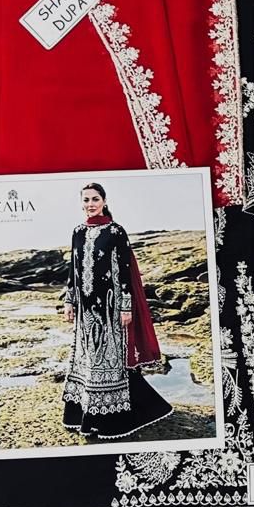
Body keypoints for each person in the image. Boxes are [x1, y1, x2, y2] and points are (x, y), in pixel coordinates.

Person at [62, 182, 173, 438]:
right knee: (87, 359)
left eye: (95, 199)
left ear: (104, 201)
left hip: (110, 308)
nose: (90, 204)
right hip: (85, 309)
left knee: (110, 360)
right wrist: (69, 301)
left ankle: (113, 419)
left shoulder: (115, 231)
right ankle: (83, 414)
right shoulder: (78, 232)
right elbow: (73, 269)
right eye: (86, 199)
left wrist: (126, 307)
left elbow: (124, 271)